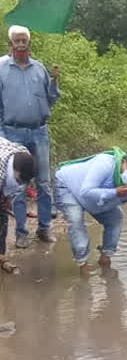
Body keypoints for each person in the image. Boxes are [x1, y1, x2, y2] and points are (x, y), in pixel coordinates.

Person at [0, 25, 61, 248]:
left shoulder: (40, 69)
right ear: (10, 44)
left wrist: (54, 82)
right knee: (18, 186)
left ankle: (44, 228)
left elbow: (51, 99)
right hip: (12, 133)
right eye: (16, 40)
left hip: (39, 131)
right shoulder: (1, 69)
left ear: (29, 43)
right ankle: (21, 232)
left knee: (44, 182)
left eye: (24, 40)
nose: (21, 44)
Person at [54, 149, 127, 274]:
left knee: (116, 218)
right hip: (69, 186)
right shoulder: (105, 164)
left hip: (96, 200)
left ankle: (105, 258)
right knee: (76, 220)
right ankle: (83, 265)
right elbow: (85, 192)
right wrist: (114, 192)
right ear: (123, 163)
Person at [0, 137, 34, 273]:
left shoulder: (24, 156)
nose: (19, 184)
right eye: (18, 180)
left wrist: (6, 199)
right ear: (14, 170)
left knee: (3, 214)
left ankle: (1, 254)